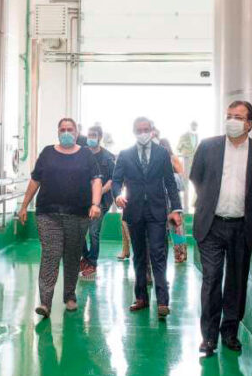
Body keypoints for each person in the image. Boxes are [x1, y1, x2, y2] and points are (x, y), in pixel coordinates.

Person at [189, 100, 252, 356]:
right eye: (229, 116)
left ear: (249, 124)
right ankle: (209, 337)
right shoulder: (208, 146)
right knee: (212, 279)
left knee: (237, 282)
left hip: (242, 226)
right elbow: (196, 177)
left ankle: (230, 332)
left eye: (238, 117)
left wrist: (244, 203)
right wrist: (210, 200)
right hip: (212, 225)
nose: (232, 121)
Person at [18, 118, 103, 318]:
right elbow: (35, 180)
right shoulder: (48, 153)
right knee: (51, 255)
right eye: (62, 129)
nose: (66, 132)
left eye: (70, 129)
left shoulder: (86, 155)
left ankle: (70, 296)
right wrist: (24, 205)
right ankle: (45, 302)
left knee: (72, 256)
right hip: (48, 214)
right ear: (58, 132)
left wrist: (95, 204)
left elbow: (96, 180)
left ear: (76, 133)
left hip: (78, 214)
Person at [111, 117, 183, 319]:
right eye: (139, 130)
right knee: (139, 255)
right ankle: (141, 297)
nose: (143, 133)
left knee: (158, 254)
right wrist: (117, 196)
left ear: (152, 131)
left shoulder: (162, 153)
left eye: (146, 129)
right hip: (134, 210)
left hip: (157, 211)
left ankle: (162, 301)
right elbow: (116, 181)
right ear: (134, 132)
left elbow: (170, 183)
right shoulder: (125, 154)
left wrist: (176, 208)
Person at [80, 125, 115, 280]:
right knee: (80, 231)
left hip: (102, 200)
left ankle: (92, 263)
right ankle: (85, 258)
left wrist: (98, 192)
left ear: (100, 137)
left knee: (93, 231)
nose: (91, 138)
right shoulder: (82, 153)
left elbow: (113, 180)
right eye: (89, 135)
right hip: (83, 199)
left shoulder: (108, 157)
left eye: (94, 135)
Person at [160, 137, 189, 264]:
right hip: (163, 198)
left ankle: (181, 254)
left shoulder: (173, 158)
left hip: (173, 198)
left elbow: (182, 178)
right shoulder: (159, 160)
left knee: (177, 227)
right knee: (170, 228)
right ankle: (177, 254)